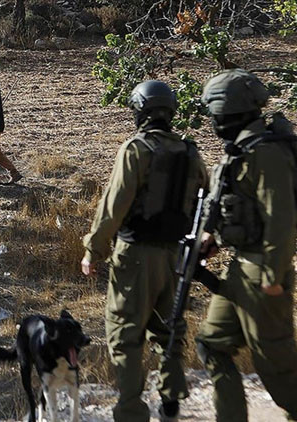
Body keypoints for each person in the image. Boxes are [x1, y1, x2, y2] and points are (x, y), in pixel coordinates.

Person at [81, 81, 208, 421]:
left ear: (140, 111)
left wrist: (94, 249)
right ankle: (171, 403)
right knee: (170, 332)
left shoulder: (136, 149)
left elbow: (114, 205)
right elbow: (205, 202)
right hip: (176, 257)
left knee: (125, 334)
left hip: (136, 254)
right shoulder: (190, 152)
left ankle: (131, 412)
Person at [196, 69, 297, 421]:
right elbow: (239, 203)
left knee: (278, 369)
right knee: (212, 344)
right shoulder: (242, 148)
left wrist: (272, 276)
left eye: (214, 112)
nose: (212, 121)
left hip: (263, 272)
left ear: (227, 109)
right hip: (241, 268)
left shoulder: (266, 152)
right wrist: (212, 236)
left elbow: (281, 219)